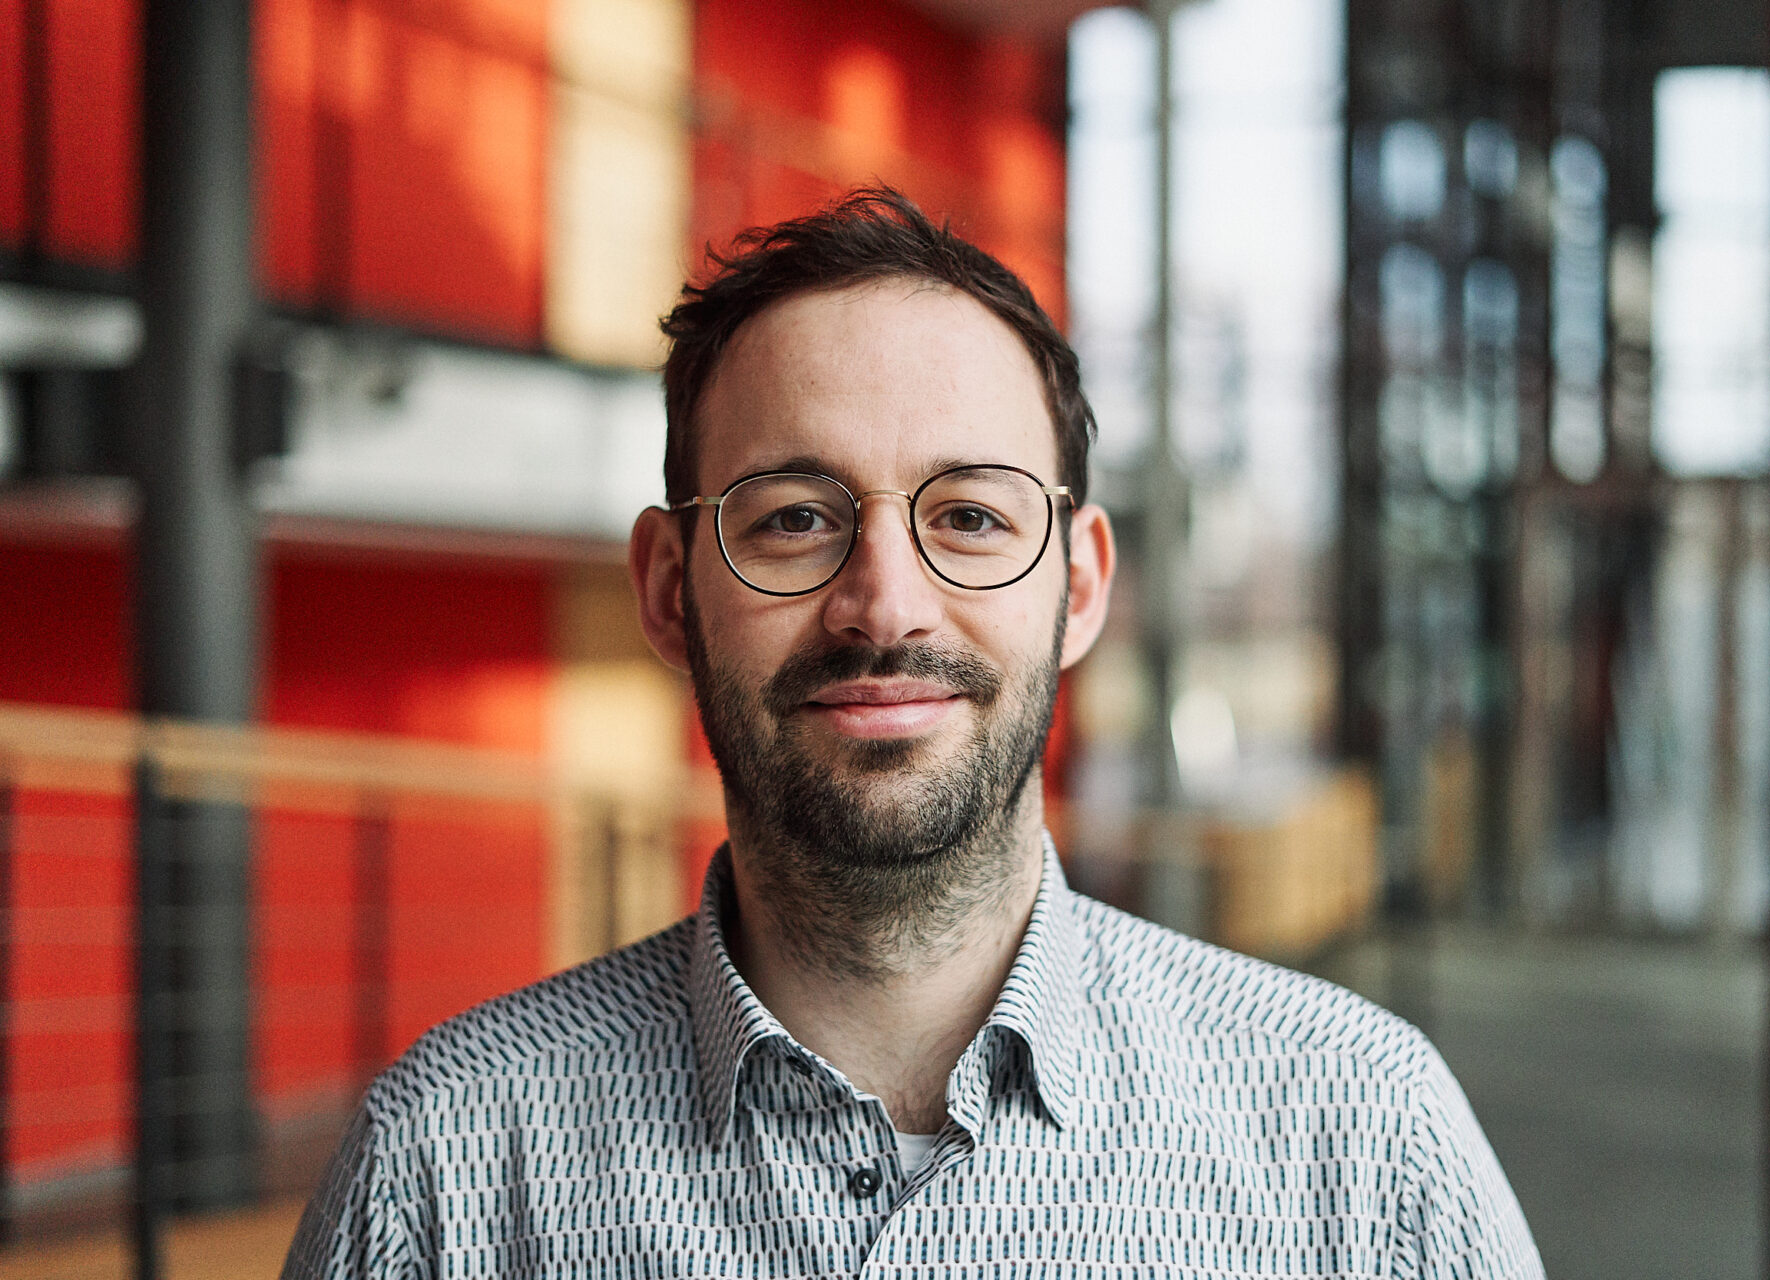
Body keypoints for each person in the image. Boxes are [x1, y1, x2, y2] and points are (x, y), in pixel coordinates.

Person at [282, 188, 1543, 1279]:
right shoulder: (443, 1173)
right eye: (792, 517)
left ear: (1083, 585)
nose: (885, 603)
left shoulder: (1365, 1135)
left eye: (973, 518)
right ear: (672, 589)